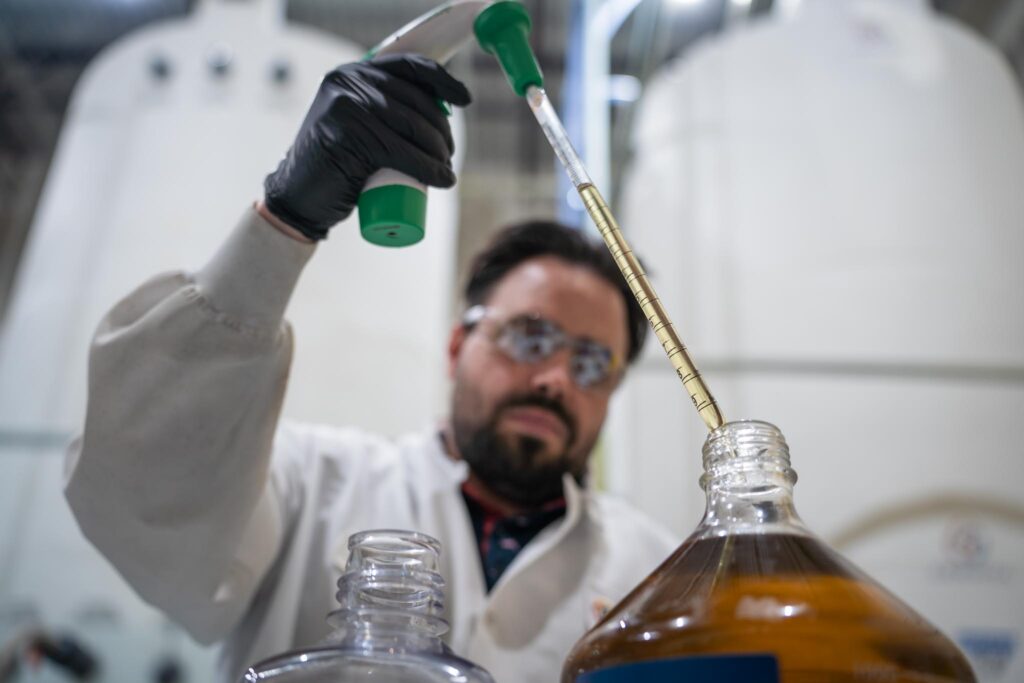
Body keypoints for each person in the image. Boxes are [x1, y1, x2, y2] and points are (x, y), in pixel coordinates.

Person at [63, 54, 676, 682]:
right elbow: (141, 484)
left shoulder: (656, 570)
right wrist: (284, 222)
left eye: (594, 362)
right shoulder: (312, 487)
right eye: (529, 337)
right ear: (457, 348)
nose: (555, 379)